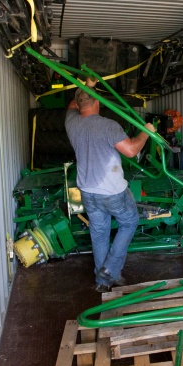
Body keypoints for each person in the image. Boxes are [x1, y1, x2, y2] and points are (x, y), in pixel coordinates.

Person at [66, 81, 155, 292]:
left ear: (79, 105)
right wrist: (146, 132)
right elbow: (131, 150)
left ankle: (102, 282)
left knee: (99, 233)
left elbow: (72, 105)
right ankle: (109, 269)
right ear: (97, 102)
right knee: (130, 221)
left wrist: (85, 85)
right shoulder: (108, 125)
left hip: (88, 192)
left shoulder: (71, 122)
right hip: (112, 192)